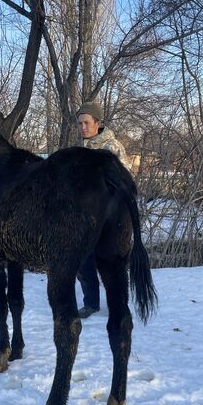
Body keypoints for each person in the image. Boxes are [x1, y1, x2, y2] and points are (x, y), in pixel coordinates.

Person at [76, 101, 128, 319]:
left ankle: (119, 305)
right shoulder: (80, 148)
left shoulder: (112, 147)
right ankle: (91, 303)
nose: (83, 127)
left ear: (98, 122)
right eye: (80, 123)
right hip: (84, 217)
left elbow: (125, 182)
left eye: (87, 122)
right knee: (83, 260)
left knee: (112, 263)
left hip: (109, 218)